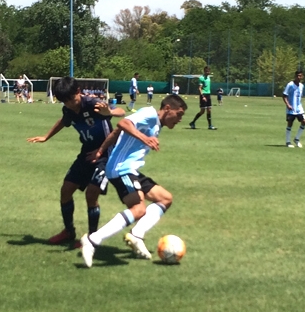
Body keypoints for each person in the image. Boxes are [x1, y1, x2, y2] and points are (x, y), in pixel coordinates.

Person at [80, 94, 188, 268]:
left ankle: (137, 235)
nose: (180, 119)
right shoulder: (150, 114)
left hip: (131, 170)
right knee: (138, 209)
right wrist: (145, 139)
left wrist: (101, 151)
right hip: (121, 168)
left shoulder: (156, 123)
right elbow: (123, 123)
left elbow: (117, 132)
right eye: (179, 114)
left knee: (165, 198)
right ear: (168, 109)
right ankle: (92, 240)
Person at [27, 77, 126, 244]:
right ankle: (69, 231)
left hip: (106, 154)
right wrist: (46, 137)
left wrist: (108, 112)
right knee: (66, 191)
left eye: (71, 100)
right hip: (87, 152)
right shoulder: (68, 109)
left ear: (78, 92)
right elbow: (64, 121)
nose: (69, 104)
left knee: (91, 194)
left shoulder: (93, 103)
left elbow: (121, 112)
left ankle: (92, 238)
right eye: (64, 102)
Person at [283, 70, 305, 148]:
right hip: (291, 108)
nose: (299, 77)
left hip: (299, 108)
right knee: (290, 124)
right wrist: (288, 105)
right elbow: (284, 96)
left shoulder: (301, 86)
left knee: (304, 122)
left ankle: (296, 139)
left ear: (302, 76)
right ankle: (288, 142)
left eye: (300, 76)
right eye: (298, 76)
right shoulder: (290, 85)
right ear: (295, 76)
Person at [189, 66, 216, 130]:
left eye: (208, 71)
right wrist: (203, 96)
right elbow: (200, 88)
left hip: (208, 94)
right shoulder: (201, 78)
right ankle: (192, 122)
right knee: (202, 111)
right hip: (203, 95)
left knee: (209, 110)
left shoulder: (209, 78)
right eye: (206, 71)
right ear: (204, 71)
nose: (208, 72)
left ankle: (210, 125)